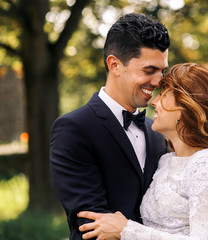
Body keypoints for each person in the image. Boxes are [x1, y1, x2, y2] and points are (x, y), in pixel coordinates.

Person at [77, 62, 208, 239]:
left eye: (164, 94)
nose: (153, 102)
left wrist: (127, 231)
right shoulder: (166, 161)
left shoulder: (207, 165)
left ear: (187, 107)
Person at [50, 13, 170, 240]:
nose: (158, 81)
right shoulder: (73, 128)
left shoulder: (157, 132)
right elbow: (92, 226)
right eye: (149, 70)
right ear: (114, 64)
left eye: (162, 70)